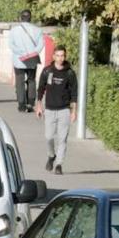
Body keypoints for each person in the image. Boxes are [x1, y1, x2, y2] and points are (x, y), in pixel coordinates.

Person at [35, 46, 77, 174]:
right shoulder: (47, 71)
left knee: (62, 138)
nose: (60, 58)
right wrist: (38, 105)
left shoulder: (70, 73)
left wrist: (74, 111)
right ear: (53, 56)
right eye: (58, 55)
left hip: (64, 109)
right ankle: (51, 155)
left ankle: (59, 164)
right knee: (48, 137)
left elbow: (74, 93)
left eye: (62, 56)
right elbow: (41, 88)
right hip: (50, 109)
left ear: (65, 56)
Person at [7, 10, 43, 112]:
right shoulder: (37, 30)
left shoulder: (14, 31)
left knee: (20, 81)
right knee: (31, 80)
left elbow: (11, 45)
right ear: (30, 18)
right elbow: (40, 45)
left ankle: (21, 104)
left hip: (19, 60)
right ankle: (31, 103)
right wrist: (33, 53)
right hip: (32, 59)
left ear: (20, 18)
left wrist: (21, 52)